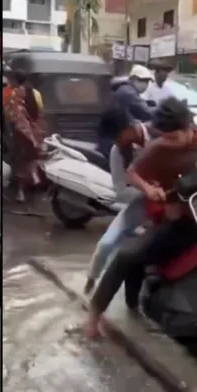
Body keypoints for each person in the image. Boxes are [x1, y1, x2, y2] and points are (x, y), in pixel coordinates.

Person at [85, 97, 197, 339]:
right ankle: (94, 314)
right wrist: (149, 189)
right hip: (181, 219)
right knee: (128, 255)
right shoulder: (157, 148)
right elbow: (132, 174)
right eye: (165, 137)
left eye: (174, 137)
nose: (170, 143)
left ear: (190, 127)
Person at [84, 103, 151, 295]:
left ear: (129, 127)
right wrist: (148, 191)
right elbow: (120, 191)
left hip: (170, 201)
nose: (116, 141)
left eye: (117, 136)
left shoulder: (156, 136)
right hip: (141, 201)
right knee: (106, 243)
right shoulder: (117, 152)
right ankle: (91, 280)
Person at [4, 69, 44, 202]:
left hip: (22, 132)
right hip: (35, 130)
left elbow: (12, 115)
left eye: (11, 79)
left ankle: (21, 193)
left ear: (16, 80)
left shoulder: (15, 94)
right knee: (33, 157)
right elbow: (39, 110)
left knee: (20, 162)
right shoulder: (35, 93)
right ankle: (34, 176)